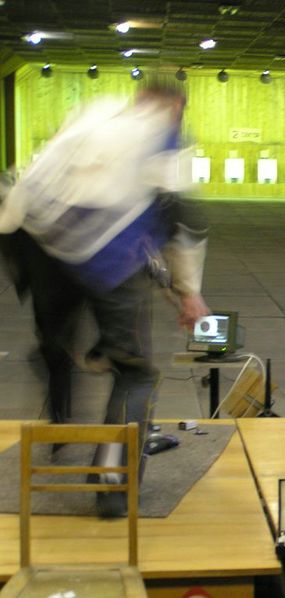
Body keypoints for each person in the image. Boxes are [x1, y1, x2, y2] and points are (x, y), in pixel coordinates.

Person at [0, 79, 210, 517]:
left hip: (34, 242)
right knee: (136, 373)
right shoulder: (164, 132)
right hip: (105, 248)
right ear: (175, 106)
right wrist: (188, 293)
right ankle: (112, 487)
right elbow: (178, 216)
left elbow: (28, 180)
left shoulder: (96, 111)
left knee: (57, 343)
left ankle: (60, 413)